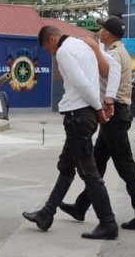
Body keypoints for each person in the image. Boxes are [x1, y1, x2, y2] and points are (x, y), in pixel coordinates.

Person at [23, 26, 119, 240]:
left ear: (51, 39)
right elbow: (113, 66)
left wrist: (98, 107)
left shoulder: (65, 51)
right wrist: (108, 97)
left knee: (89, 173)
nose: (51, 53)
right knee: (67, 167)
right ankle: (46, 214)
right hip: (82, 116)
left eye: (48, 48)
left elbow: (82, 83)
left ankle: (108, 223)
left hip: (79, 116)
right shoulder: (83, 45)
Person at [59, 16, 135, 230]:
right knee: (97, 163)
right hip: (116, 114)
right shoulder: (121, 50)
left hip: (115, 114)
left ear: (107, 34)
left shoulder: (114, 54)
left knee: (126, 167)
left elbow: (109, 72)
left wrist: (93, 49)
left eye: (101, 29)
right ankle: (81, 207)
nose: (99, 31)